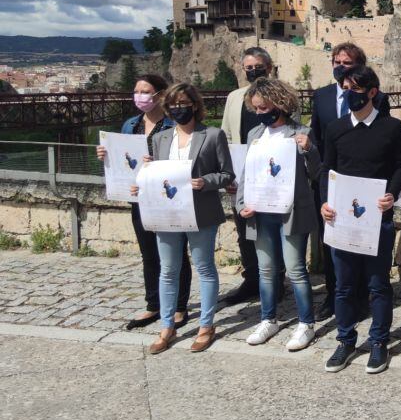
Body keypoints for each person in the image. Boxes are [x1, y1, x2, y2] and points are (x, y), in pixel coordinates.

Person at [320, 66, 401, 374]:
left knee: (378, 284)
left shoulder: (391, 128)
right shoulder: (335, 128)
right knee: (344, 286)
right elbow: (327, 169)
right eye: (346, 89)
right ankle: (345, 340)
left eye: (356, 89)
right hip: (342, 220)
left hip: (377, 220)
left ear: (372, 92)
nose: (350, 95)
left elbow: (400, 166)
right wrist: (325, 202)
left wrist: (391, 194)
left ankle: (379, 342)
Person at [140, 83, 234, 354]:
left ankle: (206, 325)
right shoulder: (160, 138)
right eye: (173, 105)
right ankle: (167, 326)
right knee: (168, 270)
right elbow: (159, 176)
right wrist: (144, 178)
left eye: (183, 103)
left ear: (194, 105)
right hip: (168, 213)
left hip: (201, 212)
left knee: (205, 268)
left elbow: (227, 174)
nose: (178, 108)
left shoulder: (213, 135)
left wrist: (205, 182)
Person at [96, 74, 192, 330]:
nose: (140, 96)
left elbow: (183, 157)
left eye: (146, 91)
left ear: (160, 95)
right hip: (138, 197)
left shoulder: (173, 124)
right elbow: (123, 158)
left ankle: (179, 306)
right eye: (137, 91)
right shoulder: (131, 124)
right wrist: (106, 155)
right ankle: (154, 304)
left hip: (166, 197)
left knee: (175, 254)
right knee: (148, 254)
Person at [236, 78, 321, 352]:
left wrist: (309, 149)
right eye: (256, 108)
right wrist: (241, 204)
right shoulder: (255, 134)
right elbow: (247, 173)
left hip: (291, 212)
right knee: (266, 270)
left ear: (280, 103)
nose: (260, 113)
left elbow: (316, 173)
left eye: (264, 107)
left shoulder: (301, 131)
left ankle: (306, 323)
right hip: (260, 212)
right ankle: (268, 319)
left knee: (295, 269)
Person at [309, 42, 391, 320]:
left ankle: (361, 297)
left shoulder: (378, 99)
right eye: (337, 62)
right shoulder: (321, 96)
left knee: (364, 244)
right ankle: (333, 296)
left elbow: (382, 139)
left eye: (347, 63)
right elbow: (317, 136)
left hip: (366, 184)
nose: (341, 67)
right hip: (333, 181)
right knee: (333, 242)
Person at [220, 47, 284, 306]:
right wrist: (228, 174)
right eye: (248, 67)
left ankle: (276, 281)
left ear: (269, 68)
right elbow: (225, 136)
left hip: (271, 173)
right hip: (242, 174)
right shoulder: (234, 97)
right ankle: (251, 280)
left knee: (272, 229)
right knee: (244, 230)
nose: (253, 71)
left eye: (258, 66)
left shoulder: (282, 94)